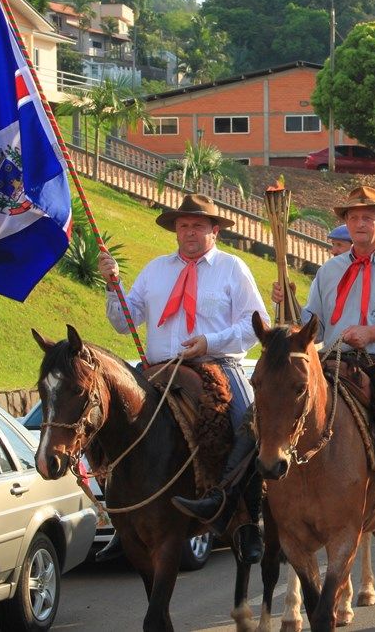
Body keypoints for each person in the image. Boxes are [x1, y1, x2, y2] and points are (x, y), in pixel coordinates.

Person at [97, 194, 270, 564]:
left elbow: (257, 324)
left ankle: (245, 519)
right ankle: (123, 519)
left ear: (215, 230)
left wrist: (210, 341)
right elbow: (124, 321)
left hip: (217, 365)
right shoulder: (155, 269)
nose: (190, 232)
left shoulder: (233, 268)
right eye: (184, 225)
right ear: (175, 230)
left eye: (198, 225)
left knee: (250, 427)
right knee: (111, 422)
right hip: (159, 370)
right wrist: (113, 286)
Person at [272, 185, 375, 553]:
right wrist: (288, 305)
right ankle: (261, 509)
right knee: (269, 414)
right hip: (332, 363)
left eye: (367, 217)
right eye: (353, 217)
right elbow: (312, 328)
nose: (359, 223)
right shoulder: (329, 270)